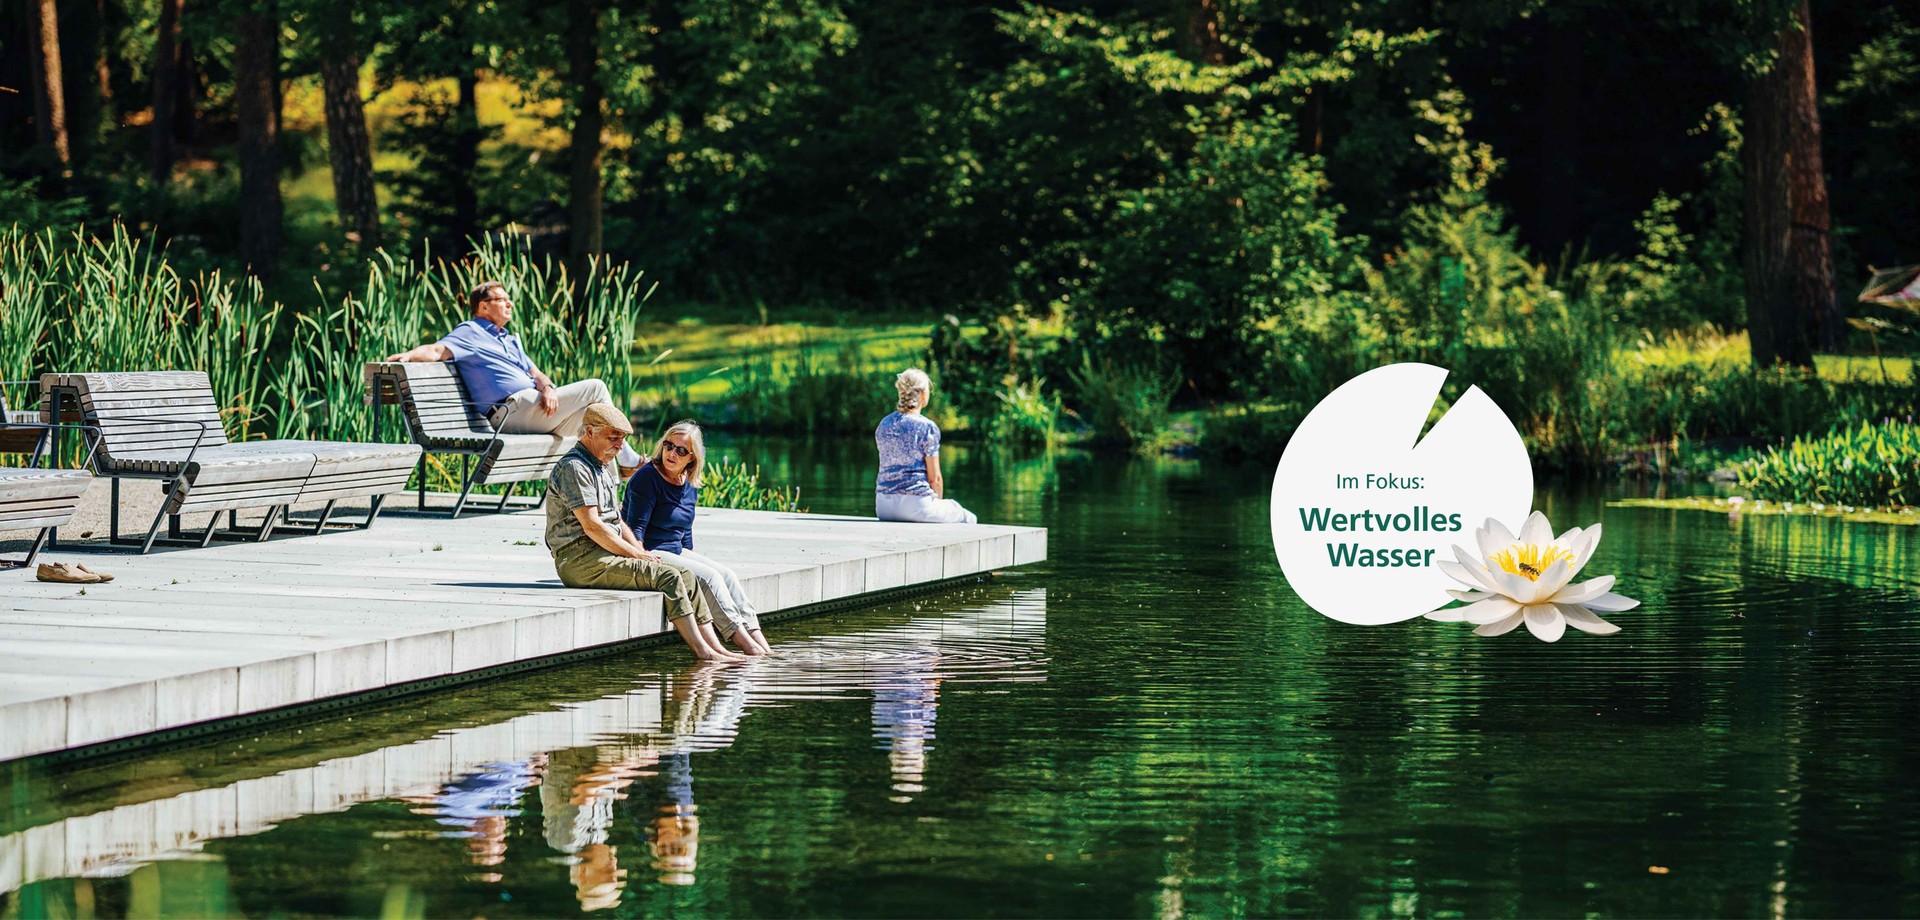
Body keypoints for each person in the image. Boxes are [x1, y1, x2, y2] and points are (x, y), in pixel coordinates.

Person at [544, 403, 743, 662]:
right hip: (580, 561)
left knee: (686, 574)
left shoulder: (601, 465)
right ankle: (704, 653)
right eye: (613, 437)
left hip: (602, 555)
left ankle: (718, 649)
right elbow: (593, 526)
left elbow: (616, 520)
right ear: (589, 432)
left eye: (622, 439)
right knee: (670, 577)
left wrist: (639, 550)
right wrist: (637, 556)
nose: (619, 445)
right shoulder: (575, 467)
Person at [384, 281, 634, 460]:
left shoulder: (508, 339)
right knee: (596, 387)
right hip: (510, 410)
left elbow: (536, 373)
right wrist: (409, 355)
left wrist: (547, 387)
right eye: (501, 299)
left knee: (593, 427)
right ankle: (628, 459)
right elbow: (438, 351)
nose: (509, 303)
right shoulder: (471, 331)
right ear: (483, 306)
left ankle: (611, 495)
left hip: (534, 408)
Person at [621, 421, 772, 656]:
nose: (672, 453)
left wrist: (693, 558)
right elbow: (635, 529)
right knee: (710, 577)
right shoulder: (647, 477)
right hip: (651, 550)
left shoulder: (689, 482)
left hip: (676, 549)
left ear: (692, 458)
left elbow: (685, 532)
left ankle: (761, 642)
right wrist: (640, 559)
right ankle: (748, 646)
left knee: (728, 576)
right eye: (669, 445)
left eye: (681, 450)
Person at [874, 368, 976, 524]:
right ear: (922, 394)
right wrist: (937, 505)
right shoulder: (927, 427)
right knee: (967, 517)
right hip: (917, 505)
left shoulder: (884, 424)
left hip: (883, 507)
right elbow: (934, 478)